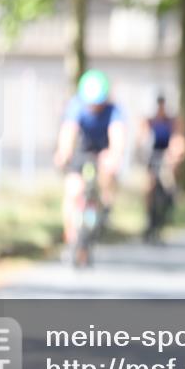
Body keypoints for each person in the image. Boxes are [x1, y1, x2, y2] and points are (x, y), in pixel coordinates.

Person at [53, 69, 126, 261]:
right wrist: (63, 153)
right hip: (81, 152)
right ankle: (71, 235)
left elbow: (117, 136)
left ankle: (105, 204)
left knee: (107, 173)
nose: (94, 107)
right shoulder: (76, 106)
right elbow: (68, 132)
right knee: (73, 190)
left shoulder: (113, 110)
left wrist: (115, 156)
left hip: (102, 151)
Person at [138, 94, 185, 242]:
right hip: (152, 155)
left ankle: (170, 204)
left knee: (168, 181)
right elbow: (142, 139)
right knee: (149, 186)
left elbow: (178, 139)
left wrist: (174, 155)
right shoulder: (149, 121)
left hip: (167, 156)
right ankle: (149, 220)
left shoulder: (172, 121)